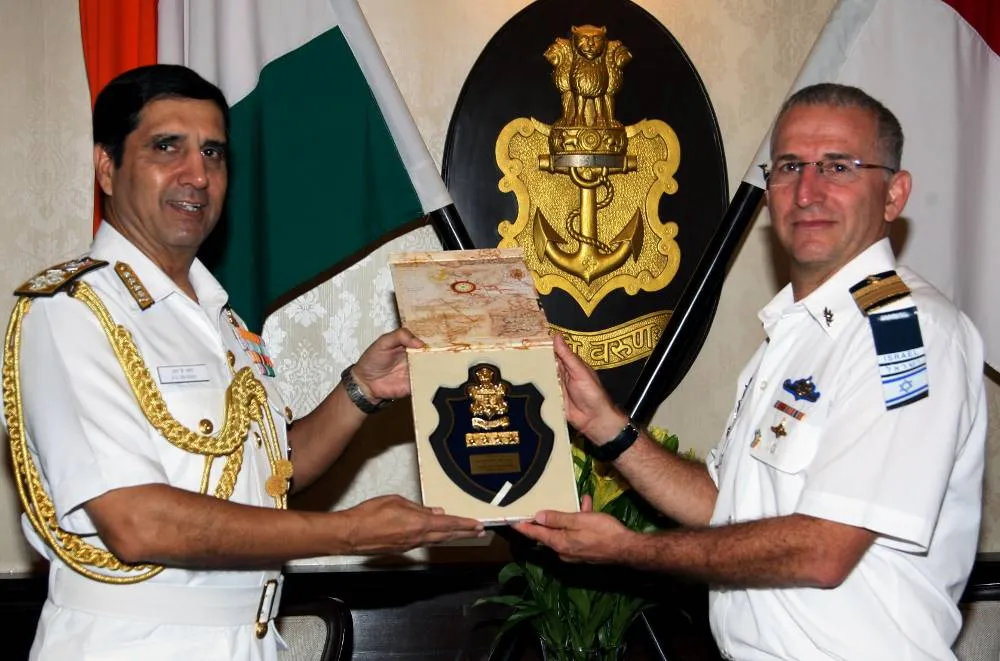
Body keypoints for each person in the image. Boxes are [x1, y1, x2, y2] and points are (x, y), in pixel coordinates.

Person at [1, 63, 483, 661]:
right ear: (107, 168)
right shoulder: (72, 312)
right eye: (166, 147)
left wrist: (361, 389)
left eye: (213, 153)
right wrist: (349, 532)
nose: (197, 175)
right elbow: (136, 522)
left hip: (252, 639)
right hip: (132, 643)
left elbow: (275, 473)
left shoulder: (220, 316)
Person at [515, 83, 987, 660]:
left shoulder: (906, 333)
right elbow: (725, 503)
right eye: (789, 166)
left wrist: (627, 550)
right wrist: (607, 427)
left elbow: (823, 551)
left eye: (838, 166)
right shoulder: (796, 332)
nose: (807, 191)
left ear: (893, 194)